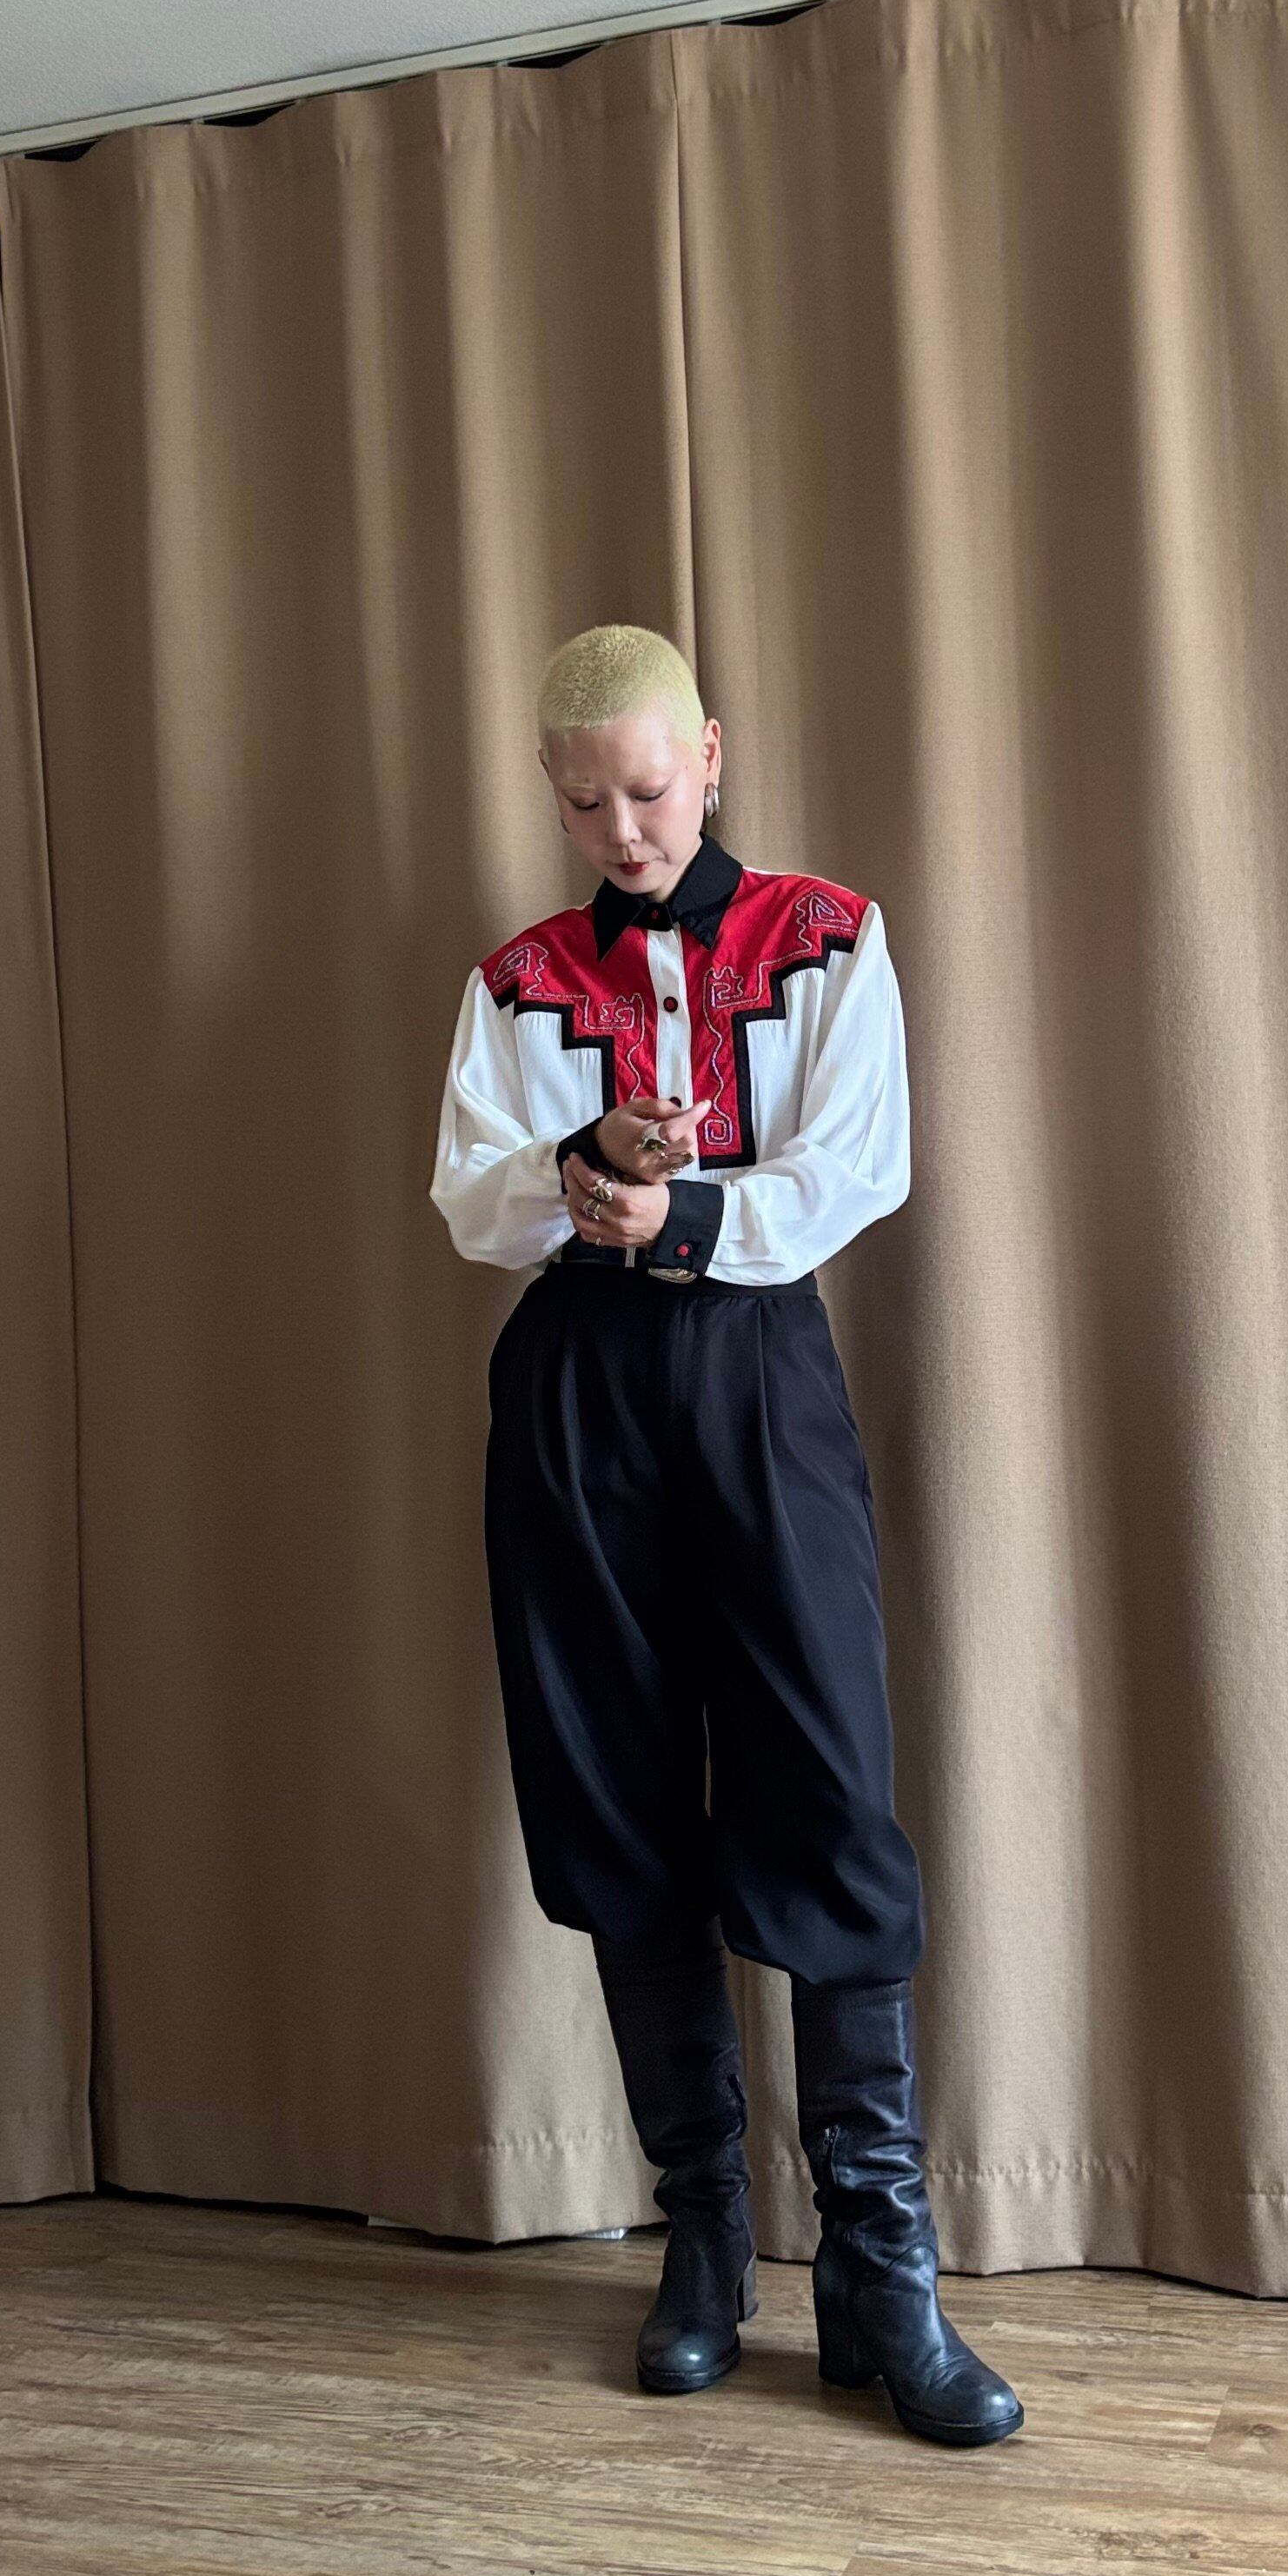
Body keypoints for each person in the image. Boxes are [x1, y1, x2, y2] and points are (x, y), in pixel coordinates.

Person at [428, 622, 1022, 2447]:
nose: (625, 829)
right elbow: (472, 1200)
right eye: (587, 802)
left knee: (827, 1781)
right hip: (580, 1408)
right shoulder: (520, 980)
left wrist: (672, 1219)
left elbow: (859, 1165)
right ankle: (702, 2238)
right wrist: (583, 1166)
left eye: (650, 789)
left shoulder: (826, 936)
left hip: (760, 1377)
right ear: (552, 795)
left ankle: (880, 2270)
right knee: (615, 1792)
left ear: (711, 754)